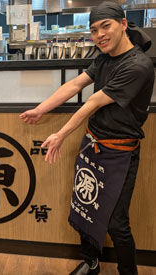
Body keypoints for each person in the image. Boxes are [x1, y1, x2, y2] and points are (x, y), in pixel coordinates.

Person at [20, 2, 154, 275]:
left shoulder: (138, 65)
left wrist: (60, 134)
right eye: (94, 30)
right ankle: (91, 262)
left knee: (116, 222)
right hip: (93, 145)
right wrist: (40, 109)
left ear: (124, 24)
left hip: (120, 152)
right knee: (85, 206)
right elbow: (75, 84)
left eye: (106, 26)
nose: (99, 35)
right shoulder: (105, 56)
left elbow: (92, 102)